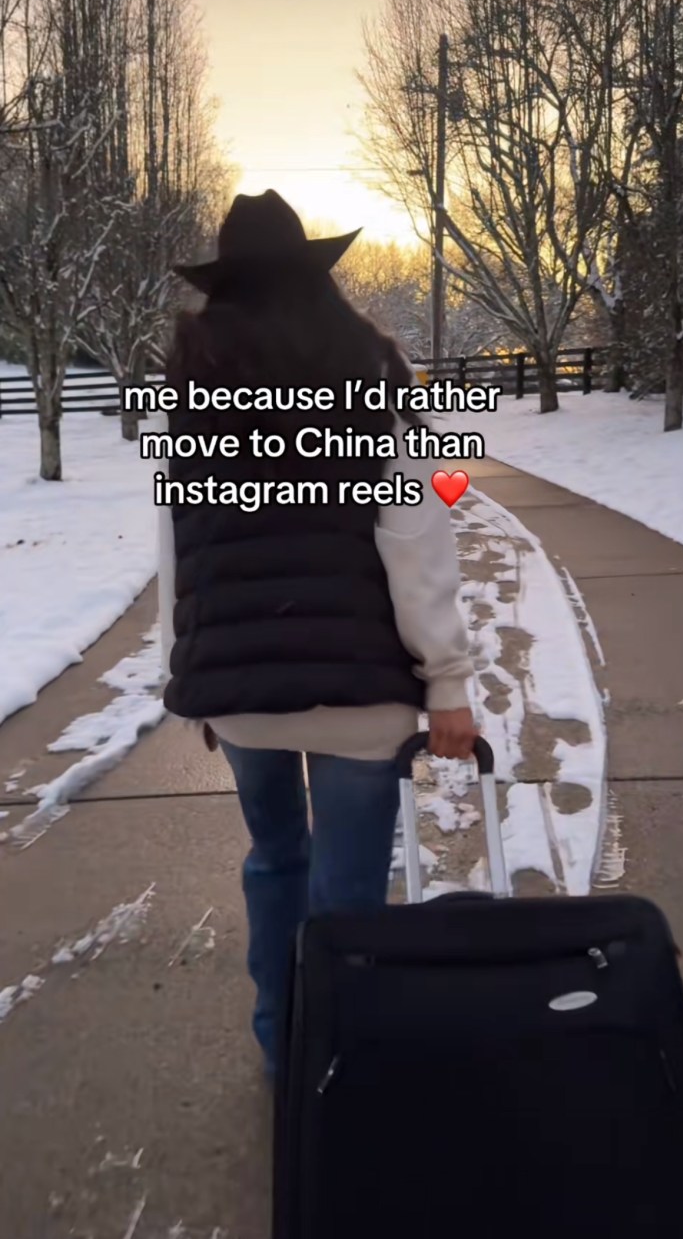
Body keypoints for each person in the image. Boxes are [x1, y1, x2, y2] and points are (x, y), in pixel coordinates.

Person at [151, 190, 479, 1078]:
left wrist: (192, 669)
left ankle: (282, 1047)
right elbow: (414, 531)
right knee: (348, 892)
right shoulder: (368, 369)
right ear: (317, 281)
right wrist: (447, 680)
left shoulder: (191, 388)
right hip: (360, 694)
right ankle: (347, 1055)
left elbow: (180, 539)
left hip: (244, 690)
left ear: (223, 291)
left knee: (273, 863)